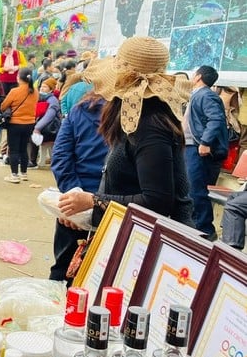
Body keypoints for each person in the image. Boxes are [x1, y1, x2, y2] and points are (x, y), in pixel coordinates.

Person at [58, 37, 194, 228]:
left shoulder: (150, 127)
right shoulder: (135, 118)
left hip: (142, 241)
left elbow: (157, 201)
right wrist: (85, 213)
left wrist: (92, 201)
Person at [49, 91, 108, 284]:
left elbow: (60, 158)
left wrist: (75, 201)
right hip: (111, 209)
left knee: (63, 270)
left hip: (78, 201)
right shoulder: (135, 116)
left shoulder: (80, 110)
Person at [184, 65, 228, 240]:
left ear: (198, 77)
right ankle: (194, 227)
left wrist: (205, 142)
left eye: (194, 74)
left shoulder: (206, 95)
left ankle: (205, 231)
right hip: (190, 147)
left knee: (196, 190)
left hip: (198, 150)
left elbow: (216, 119)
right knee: (190, 189)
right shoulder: (198, 95)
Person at [0, 67, 38, 183]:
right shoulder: (35, 91)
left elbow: (3, 106)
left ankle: (14, 175)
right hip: (30, 123)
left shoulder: (15, 91)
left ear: (19, 78)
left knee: (14, 150)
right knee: (23, 149)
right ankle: (24, 173)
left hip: (15, 124)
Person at [29, 77, 60, 168]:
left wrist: (37, 128)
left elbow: (49, 116)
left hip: (51, 129)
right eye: (41, 86)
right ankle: (33, 160)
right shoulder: (41, 98)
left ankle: (32, 161)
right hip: (44, 126)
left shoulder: (52, 100)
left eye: (45, 87)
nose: (42, 88)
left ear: (51, 89)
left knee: (32, 137)